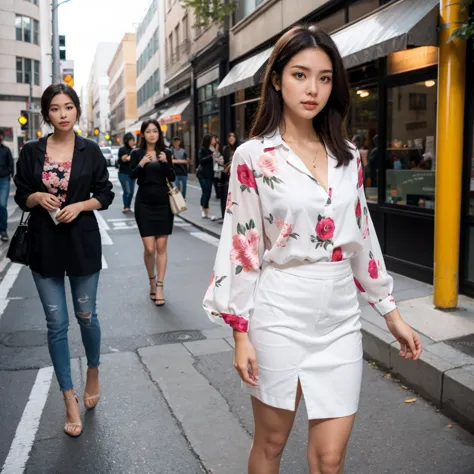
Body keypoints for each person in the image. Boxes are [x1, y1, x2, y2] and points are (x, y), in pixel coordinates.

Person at [203, 25, 422, 474]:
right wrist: (240, 332)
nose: (313, 89)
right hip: (279, 309)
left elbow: (361, 234)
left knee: (330, 459)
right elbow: (242, 246)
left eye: (325, 78)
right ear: (277, 79)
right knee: (271, 443)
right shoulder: (252, 156)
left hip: (340, 315)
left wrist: (390, 312)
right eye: (301, 75)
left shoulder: (348, 155)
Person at [14, 83, 114, 437]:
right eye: (55, 109)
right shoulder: (31, 151)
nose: (63, 114)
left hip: (82, 242)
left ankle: (93, 369)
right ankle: (68, 397)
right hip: (45, 245)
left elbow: (105, 192)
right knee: (56, 325)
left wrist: (81, 205)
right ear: (46, 114)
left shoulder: (90, 150)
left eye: (68, 107)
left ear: (77, 111)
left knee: (87, 317)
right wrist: (38, 196)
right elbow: (21, 196)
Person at [130, 119, 175, 307]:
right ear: (143, 134)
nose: (151, 134)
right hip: (144, 203)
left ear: (159, 133)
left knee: (161, 248)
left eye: (154, 131)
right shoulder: (136, 153)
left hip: (163, 203)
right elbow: (132, 176)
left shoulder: (166, 153)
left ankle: (160, 286)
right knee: (149, 248)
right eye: (148, 131)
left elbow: (172, 177)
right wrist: (141, 164)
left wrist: (165, 163)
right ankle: (151, 279)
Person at [218, 132, 239, 223]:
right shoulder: (226, 149)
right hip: (226, 177)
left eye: (233, 136)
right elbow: (224, 161)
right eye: (229, 136)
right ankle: (225, 216)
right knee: (225, 198)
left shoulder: (239, 148)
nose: (231, 138)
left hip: (237, 177)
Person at [197, 134, 217, 219]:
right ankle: (203, 210)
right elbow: (201, 160)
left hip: (211, 174)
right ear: (209, 140)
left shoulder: (214, 149)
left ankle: (206, 210)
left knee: (208, 192)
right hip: (202, 174)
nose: (214, 140)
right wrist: (211, 156)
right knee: (205, 192)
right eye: (213, 139)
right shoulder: (203, 149)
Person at [0, 131, 14, 242]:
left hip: (4, 180)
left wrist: (10, 173)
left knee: (2, 205)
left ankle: (3, 230)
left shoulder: (6, 150)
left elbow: (11, 163)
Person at [117, 132, 136, 213]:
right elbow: (124, 159)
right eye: (131, 140)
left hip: (132, 174)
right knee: (127, 191)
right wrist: (133, 155)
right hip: (124, 174)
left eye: (133, 140)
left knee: (131, 192)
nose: (133, 142)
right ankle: (126, 207)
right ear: (126, 141)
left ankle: (128, 206)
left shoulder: (134, 150)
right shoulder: (122, 149)